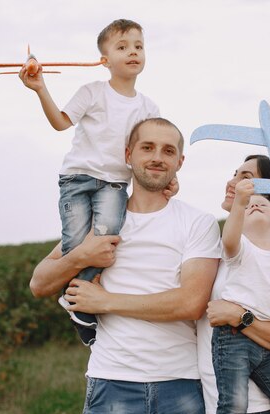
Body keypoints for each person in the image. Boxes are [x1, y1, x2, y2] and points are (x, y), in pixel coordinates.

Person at [29, 117, 221, 414]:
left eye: (168, 151)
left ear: (180, 162)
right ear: (128, 155)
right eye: (148, 147)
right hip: (111, 382)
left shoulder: (198, 222)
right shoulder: (99, 221)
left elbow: (191, 303)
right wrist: (81, 257)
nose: (158, 157)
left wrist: (106, 301)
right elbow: (38, 284)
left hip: (179, 383)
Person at [19, 19, 160, 345]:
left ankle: (76, 300)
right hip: (77, 179)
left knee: (106, 238)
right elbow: (60, 123)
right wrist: (41, 88)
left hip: (114, 184)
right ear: (104, 59)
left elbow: (147, 153)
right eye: (122, 47)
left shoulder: (148, 107)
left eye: (138, 46)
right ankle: (81, 301)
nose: (133, 52)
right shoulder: (92, 92)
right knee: (76, 244)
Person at [198, 155, 270, 414]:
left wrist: (240, 317)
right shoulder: (213, 243)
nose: (232, 182)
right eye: (235, 173)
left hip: (255, 409)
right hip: (209, 399)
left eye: (246, 178)